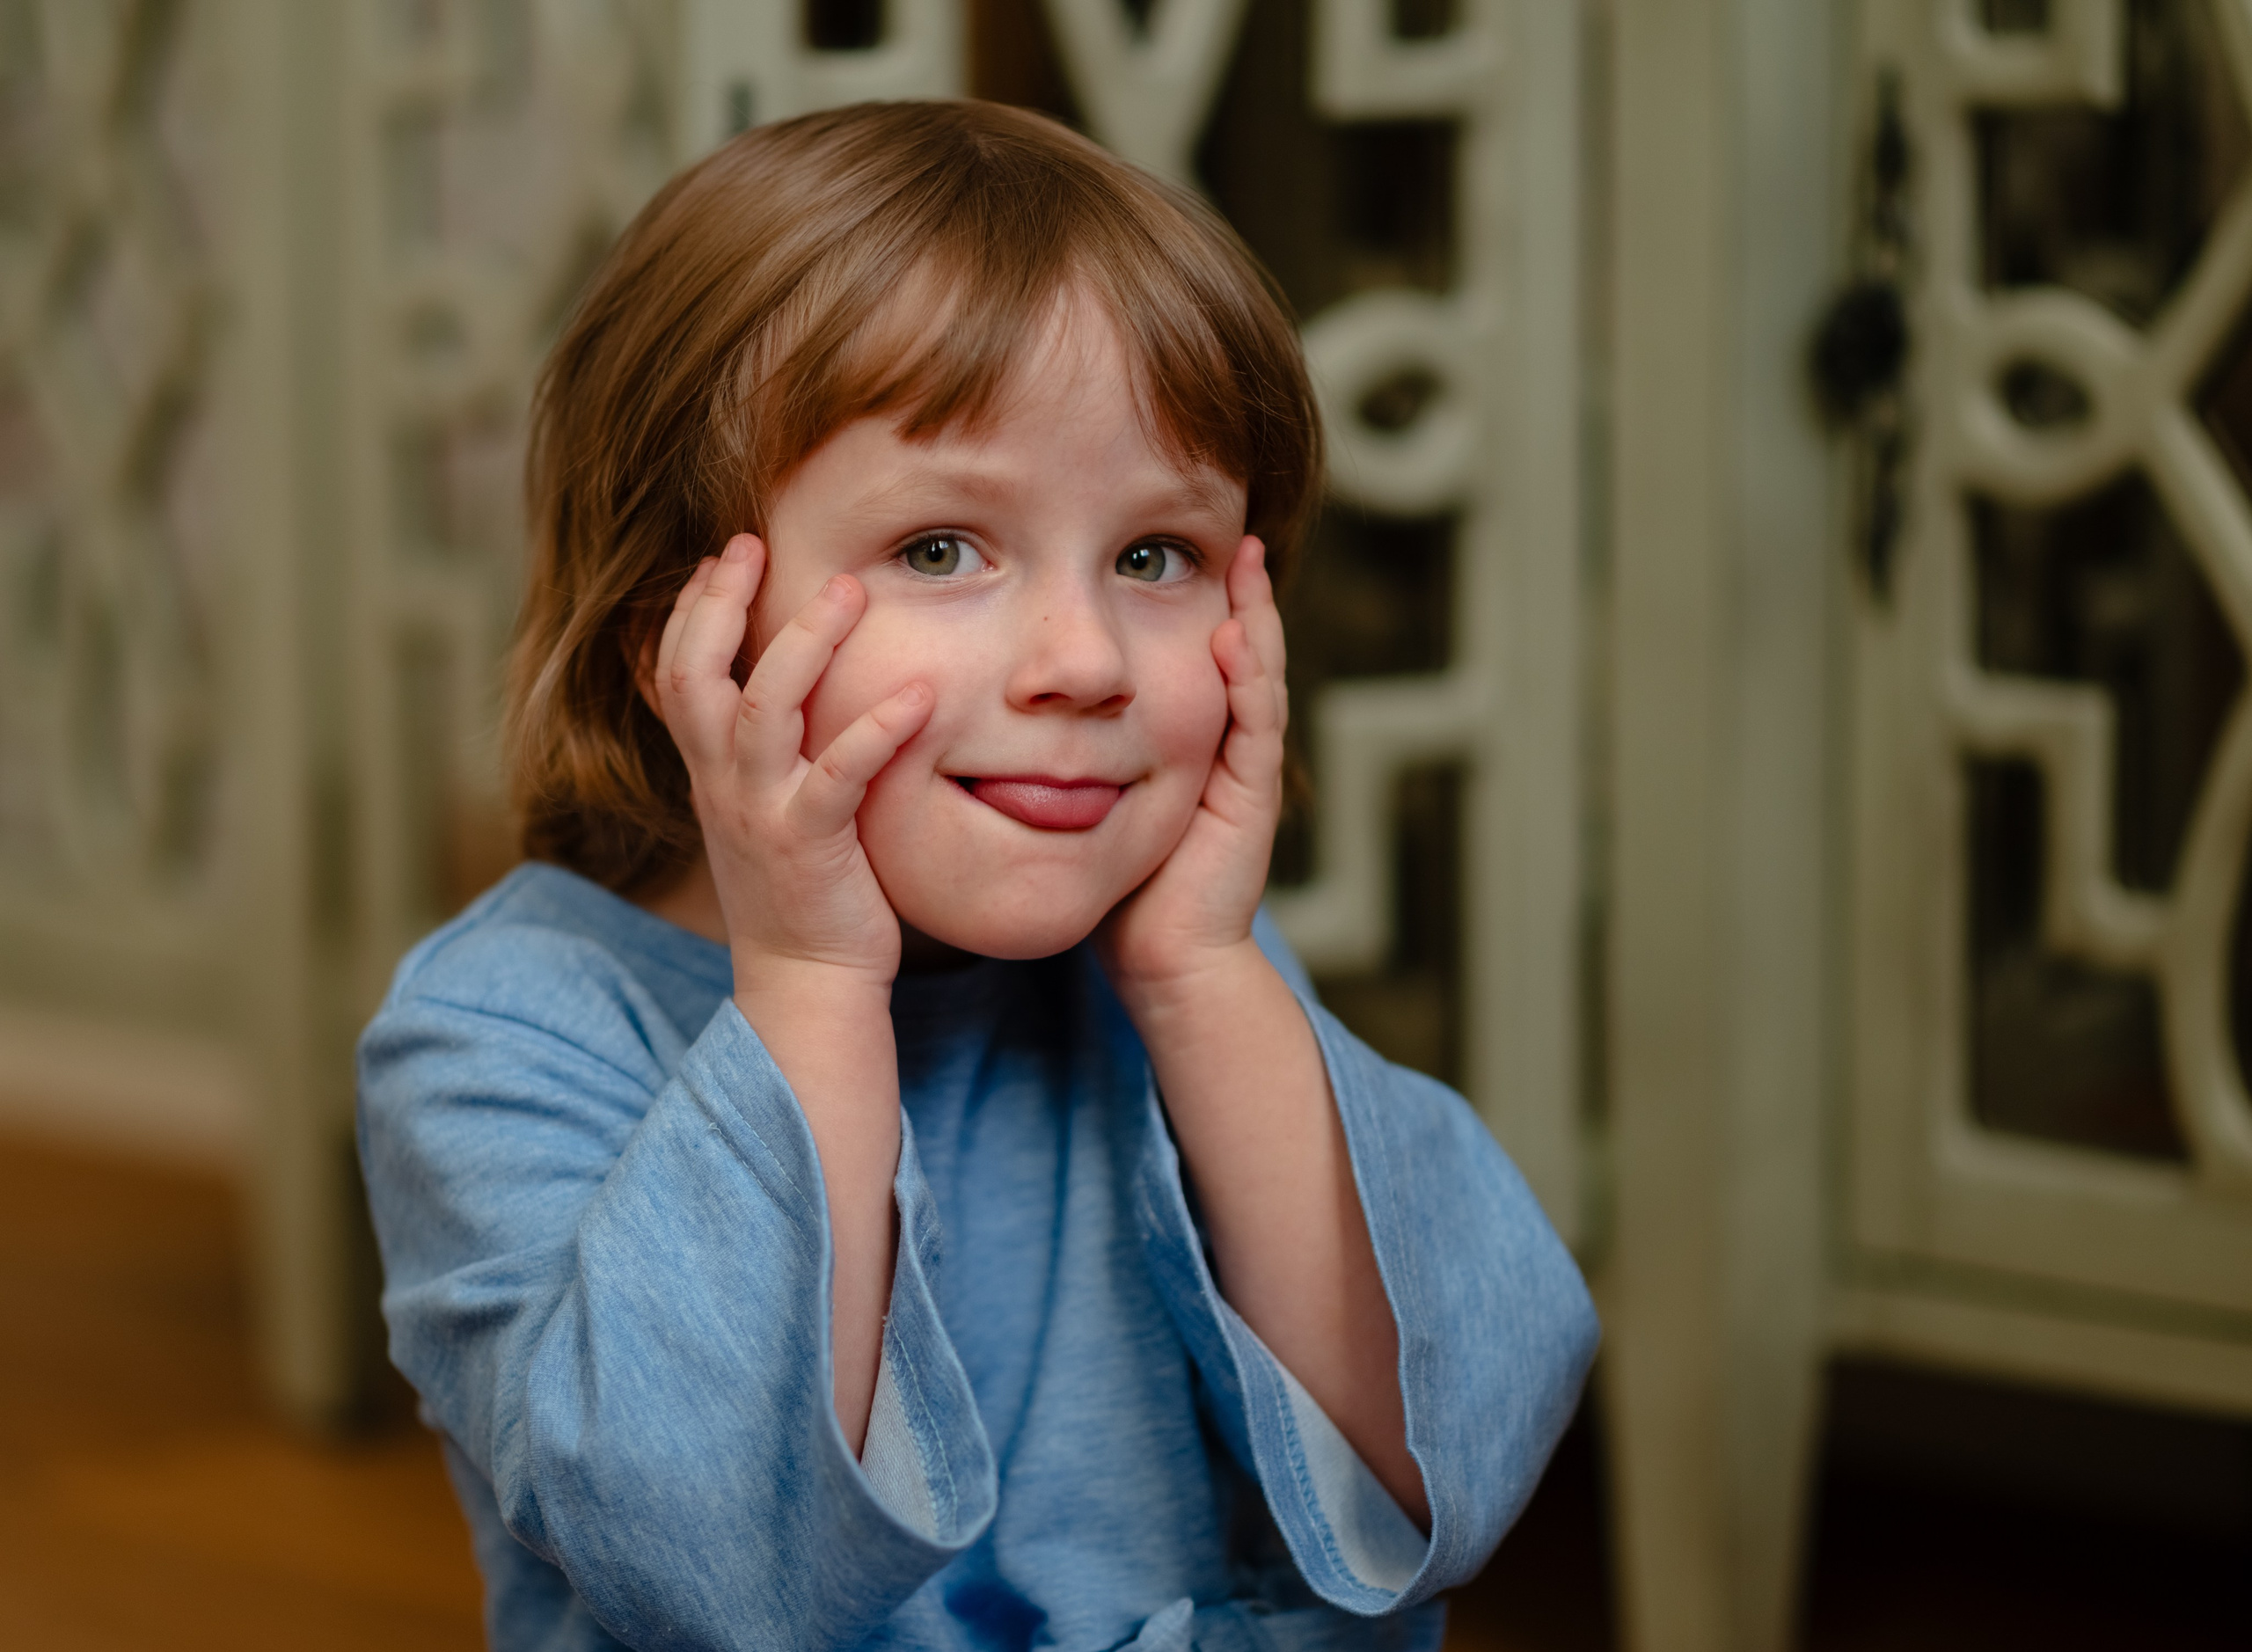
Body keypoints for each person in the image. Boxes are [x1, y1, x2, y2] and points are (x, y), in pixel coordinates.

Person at [357, 99, 1598, 1652]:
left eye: (1156, 557)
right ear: (682, 637)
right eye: (943, 546)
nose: (1084, 661)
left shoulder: (1189, 973)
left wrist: (1203, 978)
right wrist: (809, 980)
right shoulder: (500, 1033)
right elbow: (715, 1566)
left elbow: (1452, 1463)